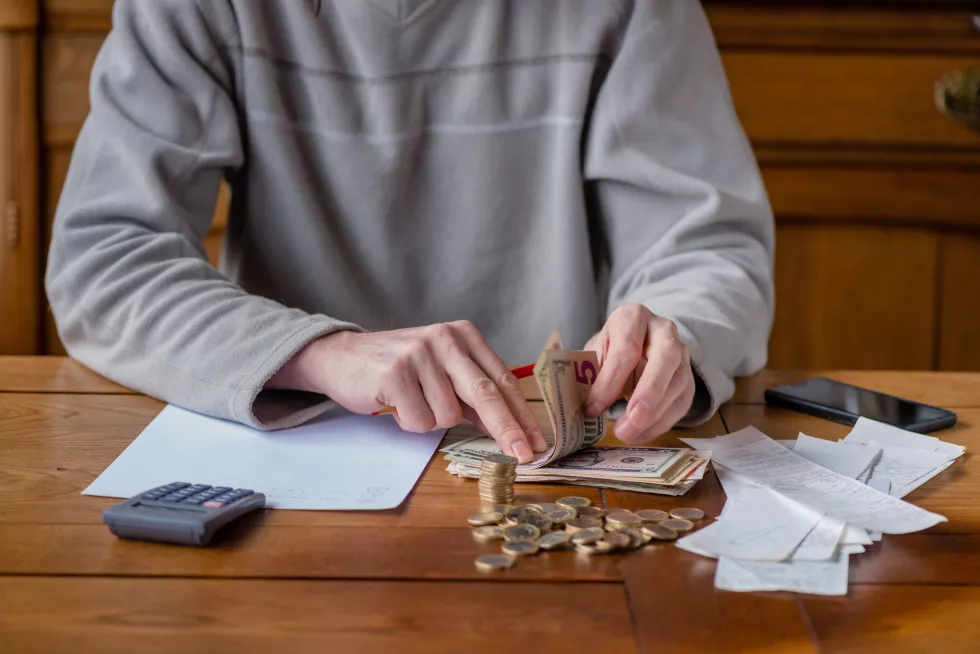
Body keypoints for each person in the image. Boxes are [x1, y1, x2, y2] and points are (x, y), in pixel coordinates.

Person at [46, 0, 774, 463]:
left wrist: (676, 334)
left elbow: (709, 246)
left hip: (557, 475)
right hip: (293, 457)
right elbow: (103, 260)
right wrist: (320, 353)